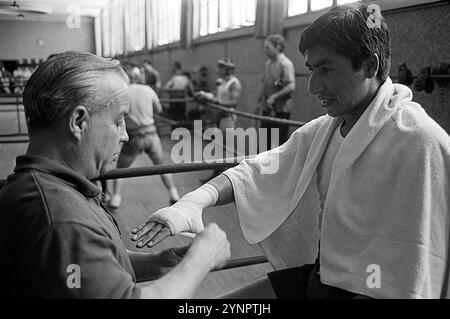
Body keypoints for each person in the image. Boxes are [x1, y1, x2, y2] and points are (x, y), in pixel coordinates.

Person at [131, 5, 450, 299]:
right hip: (323, 279)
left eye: (326, 70)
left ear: (369, 65)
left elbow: (423, 260)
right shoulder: (327, 128)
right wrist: (193, 202)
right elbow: (260, 168)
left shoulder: (420, 141)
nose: (313, 86)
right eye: (311, 69)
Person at [0, 51, 231, 298]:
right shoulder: (63, 220)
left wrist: (157, 263)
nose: (125, 135)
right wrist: (200, 259)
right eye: (118, 121)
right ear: (78, 122)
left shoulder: (41, 188)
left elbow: (86, 269)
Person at [109, 66, 180, 208]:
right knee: (162, 166)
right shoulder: (148, 90)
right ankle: (174, 194)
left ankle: (116, 198)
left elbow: (115, 114)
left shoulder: (122, 93)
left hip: (134, 137)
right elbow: (159, 110)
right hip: (151, 135)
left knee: (121, 169)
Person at [195, 59, 242, 181]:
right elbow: (215, 95)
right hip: (219, 117)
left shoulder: (234, 83)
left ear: (227, 69)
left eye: (221, 68)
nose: (218, 70)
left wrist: (218, 102)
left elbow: (234, 102)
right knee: (219, 147)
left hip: (228, 118)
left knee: (227, 148)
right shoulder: (221, 82)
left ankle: (229, 179)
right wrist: (204, 94)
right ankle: (216, 175)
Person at [257, 34, 296, 148]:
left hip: (280, 110)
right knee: (264, 144)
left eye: (268, 48)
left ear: (278, 47)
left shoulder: (286, 64)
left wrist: (274, 96)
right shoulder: (268, 64)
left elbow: (291, 86)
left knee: (276, 144)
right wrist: (259, 103)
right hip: (267, 109)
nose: (265, 51)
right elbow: (264, 85)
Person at [164, 61, 195, 126]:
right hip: (181, 100)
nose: (171, 68)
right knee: (181, 119)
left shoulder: (174, 78)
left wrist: (174, 91)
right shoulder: (186, 78)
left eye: (173, 66)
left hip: (174, 101)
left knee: (174, 119)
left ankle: (175, 133)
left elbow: (166, 88)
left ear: (176, 67)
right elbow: (192, 90)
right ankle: (181, 133)